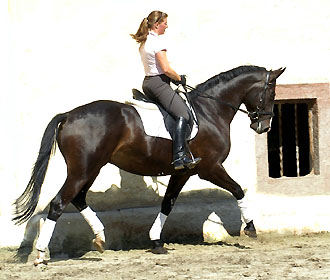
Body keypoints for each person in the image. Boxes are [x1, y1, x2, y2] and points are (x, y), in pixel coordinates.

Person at [131, 10, 201, 170]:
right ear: (157, 24)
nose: (167, 26)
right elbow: (166, 69)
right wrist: (179, 78)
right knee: (183, 114)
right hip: (159, 84)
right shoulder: (157, 43)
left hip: (148, 82)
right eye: (165, 23)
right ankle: (179, 156)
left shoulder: (145, 42)